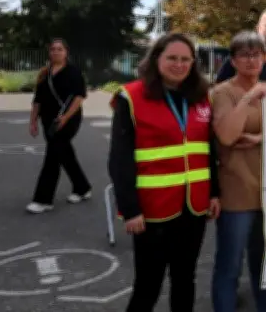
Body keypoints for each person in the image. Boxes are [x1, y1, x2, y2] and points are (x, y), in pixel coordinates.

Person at [108, 32, 221, 312]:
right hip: (152, 209)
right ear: (156, 59)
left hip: (194, 206)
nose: (179, 64)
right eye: (172, 58)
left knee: (185, 280)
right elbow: (119, 159)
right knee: (148, 285)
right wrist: (129, 209)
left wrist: (215, 193)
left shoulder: (202, 97)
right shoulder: (131, 97)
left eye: (185, 59)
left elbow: (209, 150)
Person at [211, 31, 266, 312]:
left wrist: (261, 137)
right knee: (230, 265)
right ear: (233, 61)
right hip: (237, 192)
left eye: (256, 54)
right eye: (244, 55)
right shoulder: (221, 92)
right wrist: (249, 96)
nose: (251, 60)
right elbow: (226, 135)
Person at [27, 39, 92, 214]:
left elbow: (79, 97)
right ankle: (82, 187)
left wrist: (65, 117)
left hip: (69, 120)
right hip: (49, 121)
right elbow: (37, 101)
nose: (56, 52)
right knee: (64, 154)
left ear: (66, 52)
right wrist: (33, 121)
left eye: (60, 49)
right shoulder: (44, 74)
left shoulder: (73, 72)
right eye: (53, 49)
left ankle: (43, 199)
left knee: (52, 156)